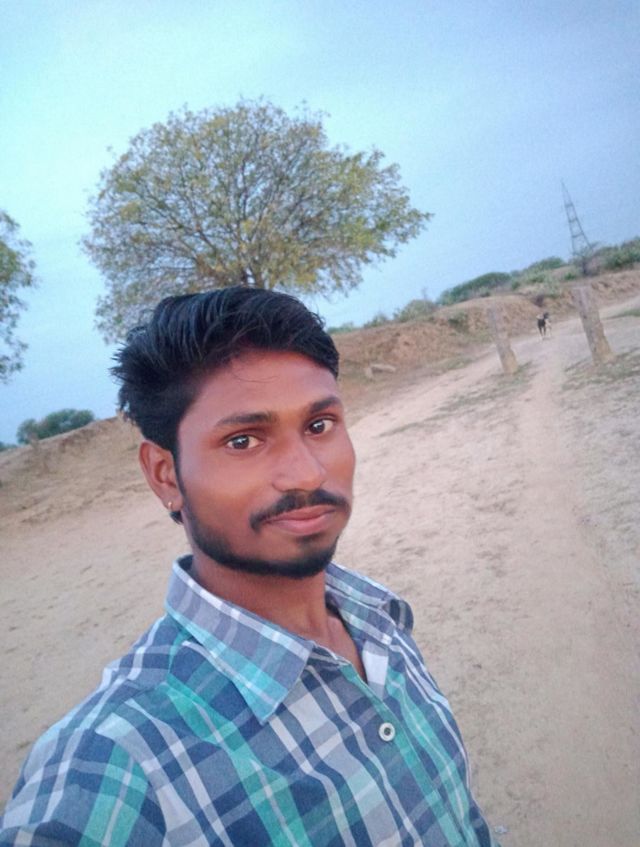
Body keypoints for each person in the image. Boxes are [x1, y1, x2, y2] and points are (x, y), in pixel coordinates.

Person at [0, 287, 498, 846]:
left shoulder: (379, 618)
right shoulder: (120, 762)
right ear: (165, 475)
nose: (306, 473)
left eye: (319, 426)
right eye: (243, 440)